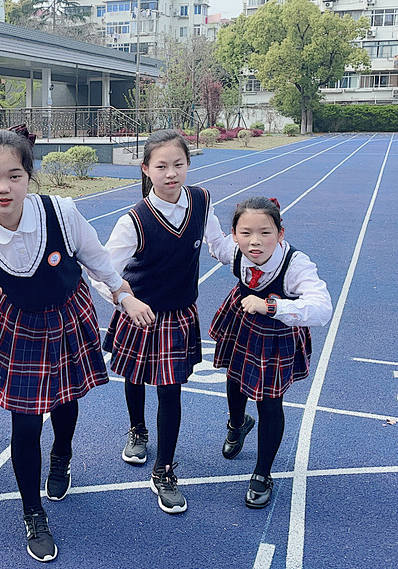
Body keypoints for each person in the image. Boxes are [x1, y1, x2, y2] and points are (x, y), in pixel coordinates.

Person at [0, 129, 134, 563]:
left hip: (65, 315)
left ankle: (61, 455)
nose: (3, 187)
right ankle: (33, 511)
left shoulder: (60, 212)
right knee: (25, 424)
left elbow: (96, 258)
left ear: (29, 175)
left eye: (14, 175)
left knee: (65, 401)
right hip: (17, 329)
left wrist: (123, 293)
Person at [94, 128, 226, 515]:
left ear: (188, 165)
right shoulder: (134, 220)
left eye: (179, 165)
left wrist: (254, 258)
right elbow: (102, 270)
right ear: (146, 169)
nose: (171, 174)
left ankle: (164, 470)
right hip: (141, 312)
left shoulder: (201, 201)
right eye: (162, 166)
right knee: (134, 375)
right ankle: (137, 430)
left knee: (171, 390)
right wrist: (125, 301)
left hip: (180, 313)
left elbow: (218, 245)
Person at [209, 196, 331, 508]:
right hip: (242, 321)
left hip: (276, 333)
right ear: (234, 234)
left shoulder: (295, 264)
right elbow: (213, 241)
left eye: (265, 232)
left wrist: (272, 305)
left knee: (269, 400)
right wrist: (198, 201)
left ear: (280, 233)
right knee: (235, 378)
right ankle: (237, 425)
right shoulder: (233, 249)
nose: (255, 241)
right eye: (246, 232)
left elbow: (322, 308)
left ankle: (262, 473)